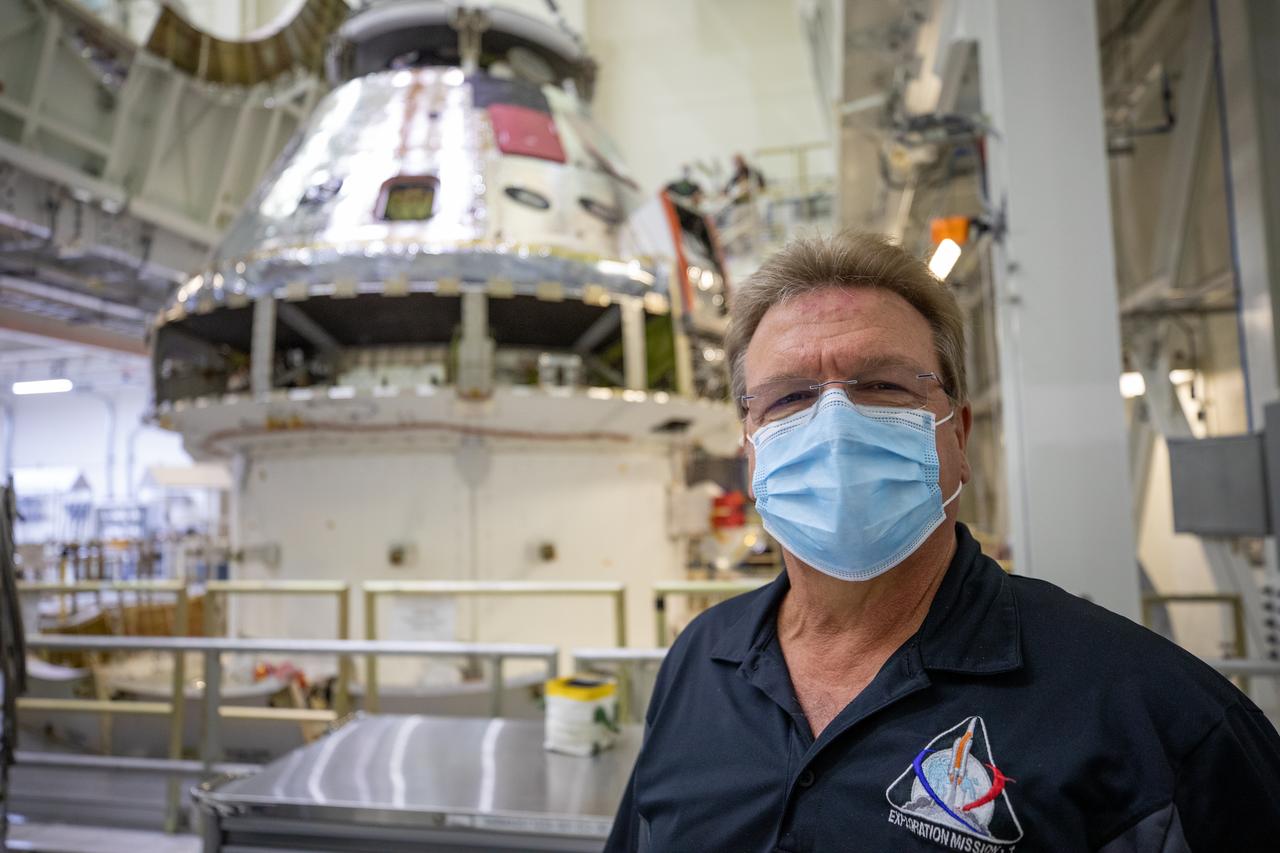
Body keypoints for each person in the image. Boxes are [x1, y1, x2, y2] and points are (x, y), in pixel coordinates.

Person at [605, 232, 1280, 852]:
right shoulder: (700, 663)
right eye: (789, 397)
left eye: (883, 385)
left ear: (957, 438)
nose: (835, 426)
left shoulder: (1153, 715)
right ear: (751, 452)